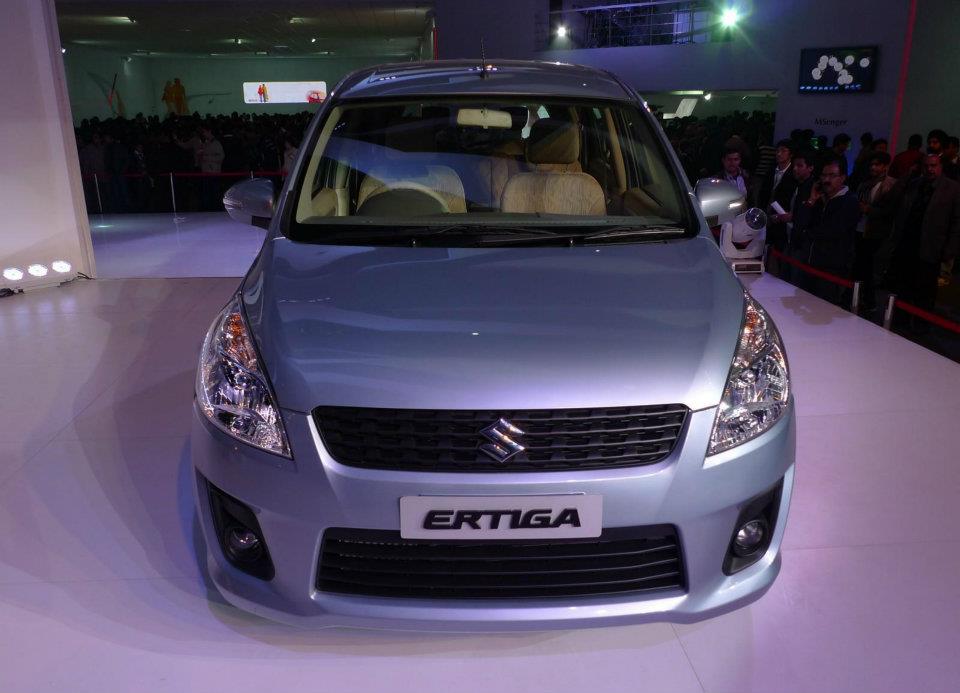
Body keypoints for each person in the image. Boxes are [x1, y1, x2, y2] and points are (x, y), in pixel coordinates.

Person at [884, 154, 960, 313]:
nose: (930, 169)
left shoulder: (953, 188)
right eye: (926, 166)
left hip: (932, 248)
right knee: (904, 287)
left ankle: (921, 321)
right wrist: (908, 175)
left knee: (925, 291)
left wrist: (949, 249)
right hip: (908, 244)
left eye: (933, 166)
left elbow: (956, 221)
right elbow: (894, 201)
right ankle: (901, 318)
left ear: (940, 167)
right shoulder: (914, 184)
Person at [793, 156, 860, 304]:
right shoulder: (819, 199)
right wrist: (811, 200)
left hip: (831, 269)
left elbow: (832, 231)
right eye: (824, 175)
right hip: (809, 263)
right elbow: (799, 224)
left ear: (843, 178)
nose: (826, 180)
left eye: (832, 175)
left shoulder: (849, 202)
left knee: (823, 309)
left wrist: (807, 233)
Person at [854, 151, 897, 310]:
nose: (873, 167)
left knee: (869, 267)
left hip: (876, 232)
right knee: (859, 266)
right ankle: (857, 298)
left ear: (885, 166)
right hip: (860, 228)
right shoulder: (865, 182)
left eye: (877, 164)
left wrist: (868, 209)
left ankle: (869, 301)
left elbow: (890, 211)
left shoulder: (890, 184)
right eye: (871, 164)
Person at [756, 139, 797, 271]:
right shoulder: (771, 170)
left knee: (780, 252)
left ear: (790, 154)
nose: (779, 154)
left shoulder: (793, 173)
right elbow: (763, 193)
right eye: (778, 150)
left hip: (783, 219)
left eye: (783, 151)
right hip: (767, 215)